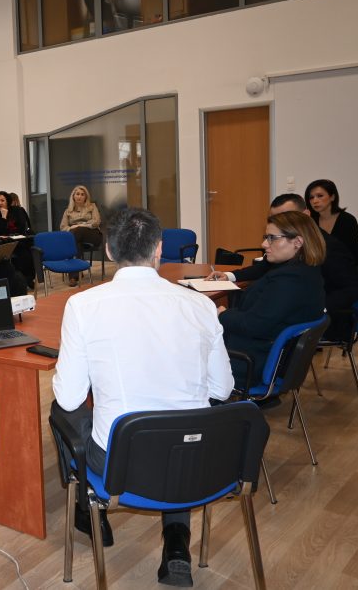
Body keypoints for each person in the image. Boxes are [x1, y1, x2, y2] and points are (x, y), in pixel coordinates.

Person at [52, 207, 233, 586]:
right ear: (159, 249)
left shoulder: (83, 305)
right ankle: (177, 544)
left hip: (122, 462)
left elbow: (69, 399)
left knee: (61, 408)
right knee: (182, 427)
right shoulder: (201, 305)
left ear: (108, 250)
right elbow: (221, 389)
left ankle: (88, 507)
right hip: (196, 459)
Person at [208, 193, 358, 340]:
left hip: (310, 325)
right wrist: (230, 276)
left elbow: (356, 287)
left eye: (272, 237)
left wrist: (318, 308)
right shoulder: (294, 261)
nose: (264, 244)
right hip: (279, 326)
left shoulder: (305, 267)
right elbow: (263, 267)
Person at [218, 211, 326, 385]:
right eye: (265, 237)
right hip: (266, 354)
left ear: (298, 242)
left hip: (250, 361)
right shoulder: (305, 271)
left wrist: (223, 314)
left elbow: (253, 325)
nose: (264, 244)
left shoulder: (290, 280)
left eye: (272, 238)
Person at [305, 179, 358, 265]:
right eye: (311, 197)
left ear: (332, 197)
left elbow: (344, 251)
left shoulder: (347, 220)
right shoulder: (311, 220)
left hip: (346, 266)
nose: (315, 201)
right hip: (321, 266)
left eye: (320, 196)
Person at [59, 185, 102, 287]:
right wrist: (72, 228)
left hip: (92, 234)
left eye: (82, 194)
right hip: (76, 237)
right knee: (75, 242)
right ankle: (75, 274)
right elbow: (63, 227)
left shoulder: (92, 206)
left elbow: (96, 222)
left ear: (86, 197)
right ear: (73, 196)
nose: (80, 196)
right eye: (77, 194)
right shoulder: (68, 211)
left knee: (75, 234)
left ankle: (73, 273)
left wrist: (80, 225)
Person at [0, 190, 35, 286]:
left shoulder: (17, 210)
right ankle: (18, 281)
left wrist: (13, 234)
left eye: (2, 200)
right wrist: (4, 217)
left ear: (7, 201)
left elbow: (22, 227)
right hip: (6, 242)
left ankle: (28, 279)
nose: (0, 203)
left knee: (26, 254)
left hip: (20, 240)